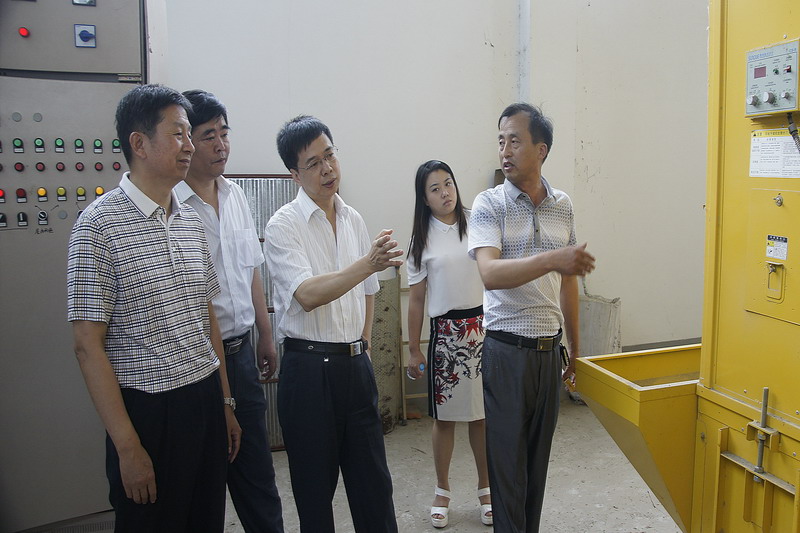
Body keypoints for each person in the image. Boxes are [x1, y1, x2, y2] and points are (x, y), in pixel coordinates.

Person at [67, 84, 241, 532]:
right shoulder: (98, 226)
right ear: (139, 144)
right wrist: (127, 446)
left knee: (205, 519)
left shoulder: (190, 220)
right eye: (178, 133)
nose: (190, 146)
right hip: (148, 413)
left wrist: (224, 401)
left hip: (204, 398)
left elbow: (207, 318)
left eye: (188, 134)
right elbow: (87, 345)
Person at [264, 115, 402, 533]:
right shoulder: (282, 225)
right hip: (309, 373)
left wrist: (363, 345)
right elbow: (306, 294)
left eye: (330, 156)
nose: (327, 169)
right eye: (313, 163)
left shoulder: (353, 218)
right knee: (314, 495)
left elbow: (369, 291)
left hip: (355, 368)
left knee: (374, 488)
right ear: (294, 174)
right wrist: (367, 263)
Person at [468, 103, 596, 532]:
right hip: (506, 351)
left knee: (535, 469)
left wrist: (575, 349)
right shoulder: (490, 203)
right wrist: (552, 259)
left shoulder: (563, 206)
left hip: (548, 353)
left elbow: (569, 283)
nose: (504, 150)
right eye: (500, 141)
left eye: (515, 141)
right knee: (508, 472)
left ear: (541, 150)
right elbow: (490, 273)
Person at [174, 89, 284, 533]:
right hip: (199, 363)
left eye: (224, 133)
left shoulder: (235, 194)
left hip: (242, 357)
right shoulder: (173, 206)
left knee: (258, 477)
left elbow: (251, 270)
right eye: (208, 136)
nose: (221, 145)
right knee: (204, 482)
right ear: (187, 141)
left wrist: (266, 334)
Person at [406, 160, 492, 528]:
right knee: (444, 421)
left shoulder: (479, 222)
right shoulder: (420, 239)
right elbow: (416, 300)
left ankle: (486, 489)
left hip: (484, 329)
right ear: (424, 198)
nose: (445, 193)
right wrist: (414, 348)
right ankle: (442, 491)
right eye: (435, 188)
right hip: (445, 335)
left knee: (482, 417)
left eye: (449, 183)